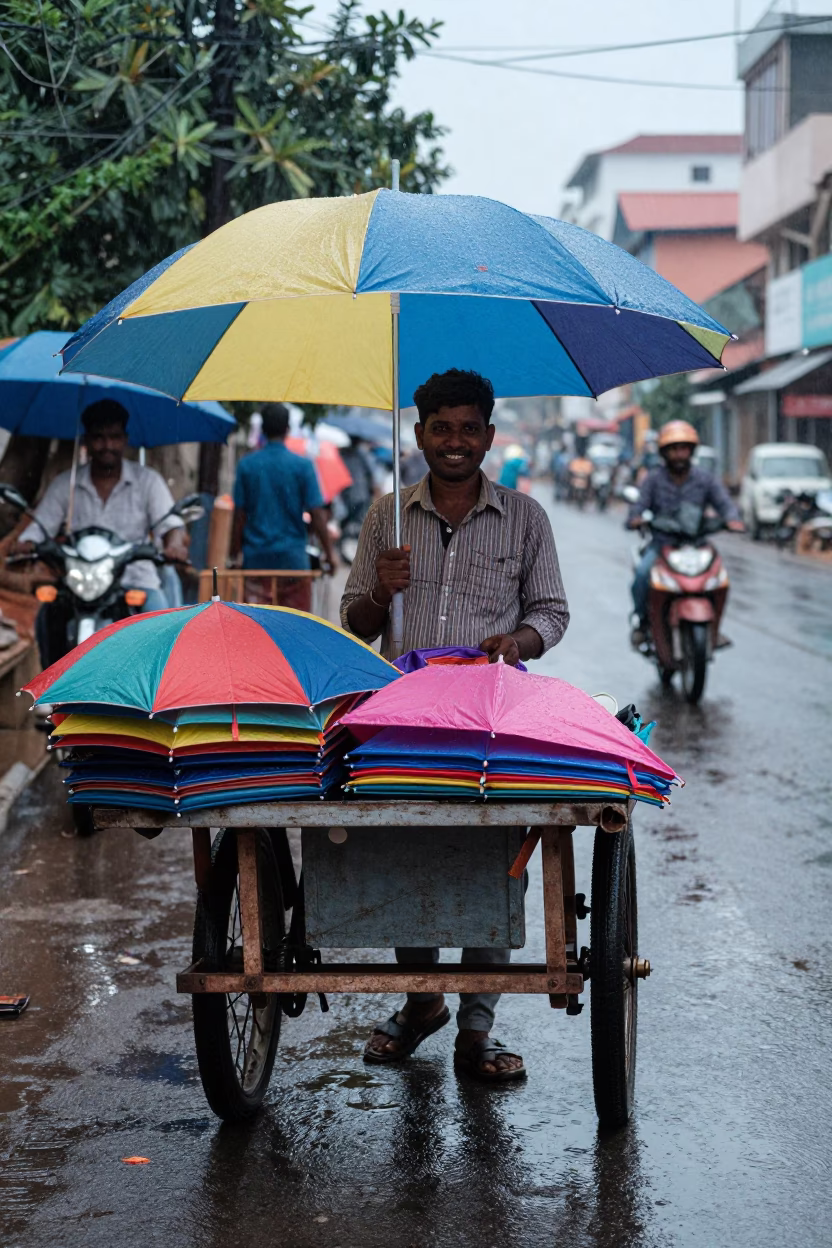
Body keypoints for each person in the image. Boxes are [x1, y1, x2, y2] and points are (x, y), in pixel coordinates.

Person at [341, 368, 569, 1083]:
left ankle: (477, 1028)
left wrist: (519, 643)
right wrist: (383, 587)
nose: (455, 442)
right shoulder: (387, 516)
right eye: (441, 428)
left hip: (491, 718)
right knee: (406, 851)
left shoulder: (526, 517)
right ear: (418, 435)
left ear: (489, 437)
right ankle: (421, 1002)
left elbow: (551, 612)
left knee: (492, 861)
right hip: (403, 717)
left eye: (469, 428)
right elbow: (353, 620)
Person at [14, 399, 187, 665]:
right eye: (99, 438)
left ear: (125, 439)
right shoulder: (66, 484)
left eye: (114, 437)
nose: (107, 445)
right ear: (86, 440)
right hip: (77, 585)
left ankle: (159, 699)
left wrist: (174, 544)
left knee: (161, 631)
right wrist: (26, 543)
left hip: (135, 579)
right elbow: (40, 526)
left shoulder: (147, 481)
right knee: (45, 617)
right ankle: (50, 690)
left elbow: (172, 525)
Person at [627, 420, 744, 645]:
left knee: (720, 580)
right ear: (664, 452)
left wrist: (733, 519)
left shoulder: (705, 479)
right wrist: (636, 518)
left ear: (691, 451)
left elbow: (724, 503)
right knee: (642, 575)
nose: (679, 454)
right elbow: (638, 506)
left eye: (683, 448)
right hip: (662, 545)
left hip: (698, 545)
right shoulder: (653, 479)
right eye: (673, 449)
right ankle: (642, 622)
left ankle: (714, 629)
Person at [231, 403, 337, 612]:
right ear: (288, 429)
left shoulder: (247, 465)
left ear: (262, 430)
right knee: (295, 628)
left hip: (256, 561)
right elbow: (317, 514)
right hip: (293, 563)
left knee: (257, 628)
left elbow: (239, 516)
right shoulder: (302, 466)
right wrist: (329, 554)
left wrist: (234, 555)